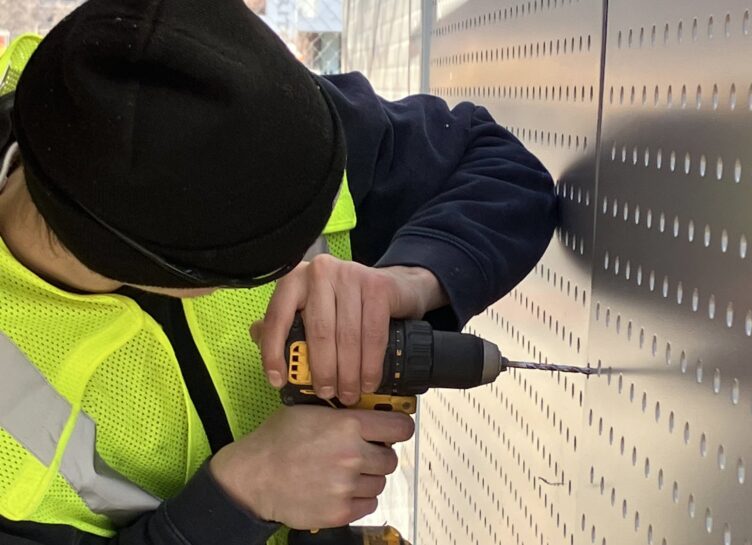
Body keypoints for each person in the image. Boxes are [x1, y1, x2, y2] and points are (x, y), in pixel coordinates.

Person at [0, 0, 557, 544]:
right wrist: (238, 497)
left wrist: (409, 278)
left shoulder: (231, 107)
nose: (301, 268)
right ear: (184, 279)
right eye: (268, 262)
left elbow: (497, 165)